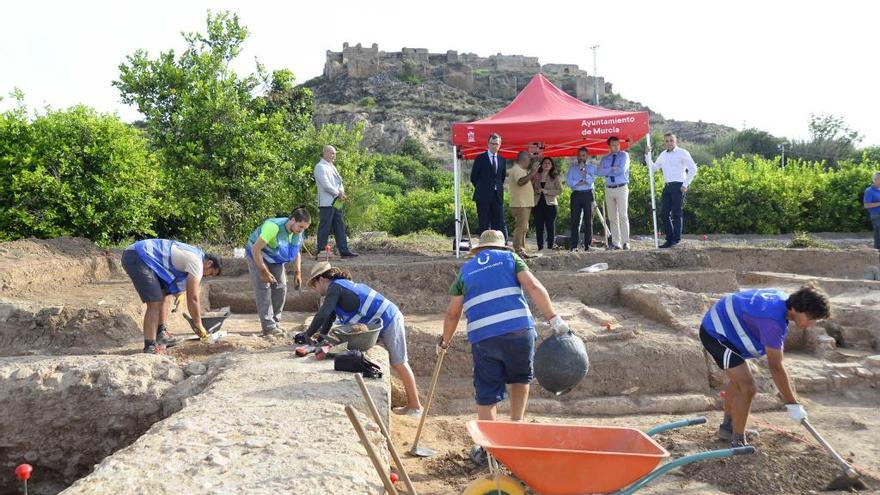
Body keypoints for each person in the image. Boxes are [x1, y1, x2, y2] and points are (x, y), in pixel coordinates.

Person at [439, 230, 570, 424]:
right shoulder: (511, 258)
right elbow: (533, 287)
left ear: (479, 250)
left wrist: (445, 342)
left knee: (487, 393)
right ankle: (516, 426)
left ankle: (490, 448)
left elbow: (453, 313)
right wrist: (554, 318)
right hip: (519, 331)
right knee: (519, 378)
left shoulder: (466, 270)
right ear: (500, 246)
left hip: (484, 338)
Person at [699, 284, 831, 447]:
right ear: (797, 309)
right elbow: (775, 367)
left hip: (726, 325)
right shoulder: (772, 321)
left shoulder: (782, 299)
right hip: (716, 333)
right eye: (811, 319)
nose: (812, 324)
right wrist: (792, 404)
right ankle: (738, 441)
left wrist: (792, 401)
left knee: (739, 380)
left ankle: (728, 427)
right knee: (748, 388)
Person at [295, 262, 422, 416]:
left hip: (389, 318)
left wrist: (307, 335)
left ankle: (415, 407)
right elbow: (328, 318)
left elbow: (322, 314)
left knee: (399, 362)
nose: (315, 289)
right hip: (375, 323)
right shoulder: (337, 290)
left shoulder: (335, 287)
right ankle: (412, 405)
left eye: (314, 285)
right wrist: (319, 339)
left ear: (321, 279)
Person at [120, 239, 222, 354]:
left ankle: (161, 334)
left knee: (165, 295)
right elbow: (193, 298)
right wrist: (198, 324)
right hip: (138, 255)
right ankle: (150, 346)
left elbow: (172, 272)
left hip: (147, 258)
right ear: (209, 263)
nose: (207, 276)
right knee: (154, 302)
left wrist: (178, 293)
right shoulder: (197, 262)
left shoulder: (196, 255)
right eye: (211, 273)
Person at [246, 207, 311, 336]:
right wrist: (263, 271)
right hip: (257, 254)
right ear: (292, 220)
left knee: (281, 287)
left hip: (275, 257)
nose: (301, 230)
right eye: (300, 227)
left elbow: (296, 251)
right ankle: (268, 327)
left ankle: (275, 321)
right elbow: (255, 249)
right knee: (263, 288)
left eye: (304, 228)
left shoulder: (297, 232)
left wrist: (298, 272)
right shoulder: (273, 227)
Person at [645, 133, 698, 248]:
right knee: (664, 213)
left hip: (679, 185)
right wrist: (647, 155)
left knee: (676, 213)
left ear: (675, 141)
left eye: (671, 140)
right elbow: (653, 168)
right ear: (664, 142)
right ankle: (669, 239)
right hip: (667, 186)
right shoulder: (663, 155)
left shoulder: (683, 153)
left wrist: (685, 184)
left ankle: (676, 240)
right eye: (667, 141)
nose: (669, 143)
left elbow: (693, 169)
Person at [315, 145, 358, 258]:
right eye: (332, 153)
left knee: (340, 225)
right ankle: (321, 251)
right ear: (325, 153)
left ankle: (344, 250)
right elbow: (325, 185)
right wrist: (338, 193)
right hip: (326, 203)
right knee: (325, 227)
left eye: (335, 153)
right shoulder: (320, 166)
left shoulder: (332, 166)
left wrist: (341, 192)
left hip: (337, 202)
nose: (334, 156)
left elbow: (340, 182)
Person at [470, 133, 508, 239]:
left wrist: (496, 188)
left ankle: (499, 245)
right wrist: (483, 188)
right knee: (484, 223)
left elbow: (502, 178)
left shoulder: (502, 160)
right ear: (488, 144)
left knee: (499, 222)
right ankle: (484, 246)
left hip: (497, 196)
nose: (495, 146)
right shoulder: (480, 158)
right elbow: (474, 177)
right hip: (483, 197)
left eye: (497, 144)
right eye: (492, 144)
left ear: (500, 145)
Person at [597, 136, 631, 250]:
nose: (616, 147)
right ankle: (616, 243)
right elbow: (599, 172)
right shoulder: (605, 158)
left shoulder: (624, 155)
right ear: (609, 146)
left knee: (623, 215)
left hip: (621, 187)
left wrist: (608, 170)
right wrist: (612, 168)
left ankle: (626, 242)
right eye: (613, 145)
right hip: (609, 188)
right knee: (612, 217)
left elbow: (622, 170)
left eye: (617, 144)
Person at [507, 151, 538, 257]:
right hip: (520, 203)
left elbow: (525, 183)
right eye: (529, 160)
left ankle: (522, 249)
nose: (529, 162)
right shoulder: (517, 169)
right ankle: (518, 249)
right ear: (523, 159)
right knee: (521, 227)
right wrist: (532, 173)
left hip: (524, 203)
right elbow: (520, 182)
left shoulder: (522, 170)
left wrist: (531, 176)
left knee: (524, 227)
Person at [566, 148, 597, 251]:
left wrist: (583, 172)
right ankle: (574, 245)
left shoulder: (591, 167)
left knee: (588, 220)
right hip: (576, 195)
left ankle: (588, 245)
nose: (581, 157)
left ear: (587, 156)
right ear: (577, 156)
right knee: (575, 220)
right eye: (579, 155)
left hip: (588, 194)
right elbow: (569, 183)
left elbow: (590, 181)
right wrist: (580, 182)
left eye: (583, 155)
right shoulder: (572, 168)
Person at [531, 157, 563, 251]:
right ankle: (540, 247)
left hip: (551, 204)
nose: (547, 164)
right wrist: (536, 190)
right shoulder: (537, 175)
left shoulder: (555, 176)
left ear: (552, 165)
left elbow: (560, 190)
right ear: (542, 164)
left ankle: (550, 247)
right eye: (545, 163)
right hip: (538, 204)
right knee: (539, 226)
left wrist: (547, 191)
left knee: (550, 226)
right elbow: (531, 188)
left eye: (549, 163)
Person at [863, 171, 880, 265]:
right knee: (878, 235)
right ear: (875, 180)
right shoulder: (869, 190)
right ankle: (877, 255)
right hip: (876, 216)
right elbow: (866, 205)